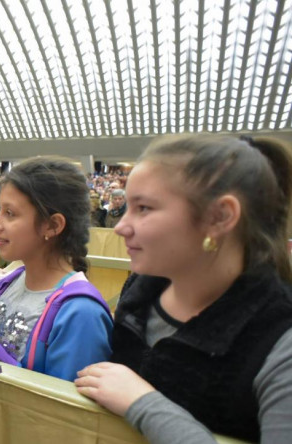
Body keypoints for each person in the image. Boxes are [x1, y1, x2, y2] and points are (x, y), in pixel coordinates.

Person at [75, 135, 292, 444]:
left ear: (220, 217)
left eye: (144, 208)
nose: (122, 226)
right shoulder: (140, 290)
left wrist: (145, 404)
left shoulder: (280, 341)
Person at [0, 157, 113, 381]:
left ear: (53, 225)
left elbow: (62, 407)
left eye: (10, 213)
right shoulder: (6, 284)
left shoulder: (81, 314)